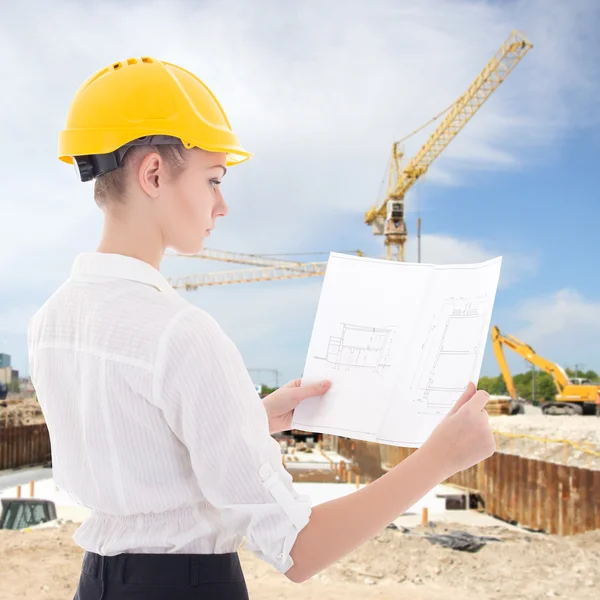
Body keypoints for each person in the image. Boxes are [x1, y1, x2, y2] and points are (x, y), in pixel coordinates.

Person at [27, 57, 495, 599]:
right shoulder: (182, 333)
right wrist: (440, 458)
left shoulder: (50, 321)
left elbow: (139, 448)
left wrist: (247, 418)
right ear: (153, 173)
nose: (221, 205)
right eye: (213, 180)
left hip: (98, 585)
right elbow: (299, 550)